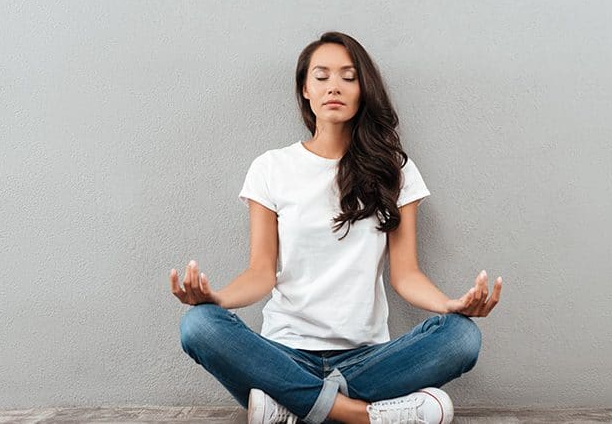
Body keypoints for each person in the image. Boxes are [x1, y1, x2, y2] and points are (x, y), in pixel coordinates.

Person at [170, 31, 503, 424]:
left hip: (368, 358)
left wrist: (450, 305)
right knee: (199, 325)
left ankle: (292, 406)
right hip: (283, 354)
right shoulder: (271, 168)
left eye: (349, 76)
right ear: (305, 90)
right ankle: (361, 416)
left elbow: (407, 274)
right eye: (322, 76)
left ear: (364, 89)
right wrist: (215, 299)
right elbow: (261, 273)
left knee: (462, 337)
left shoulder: (395, 170)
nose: (335, 87)